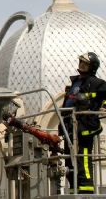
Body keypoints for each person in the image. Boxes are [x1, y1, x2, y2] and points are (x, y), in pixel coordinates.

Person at [59, 52, 106, 194]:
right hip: (69, 126)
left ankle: (86, 191)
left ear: (92, 67)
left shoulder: (98, 83)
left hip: (84, 126)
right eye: (81, 62)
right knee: (69, 160)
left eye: (85, 63)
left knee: (83, 157)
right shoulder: (75, 83)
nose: (81, 65)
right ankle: (74, 189)